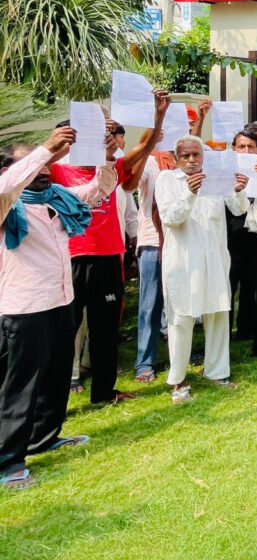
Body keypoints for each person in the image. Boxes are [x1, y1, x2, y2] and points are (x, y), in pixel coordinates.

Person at [0, 127, 112, 490]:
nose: (45, 170)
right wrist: (47, 148)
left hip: (61, 301)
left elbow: (99, 190)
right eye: (35, 165)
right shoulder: (7, 203)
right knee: (21, 385)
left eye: (48, 165)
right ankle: (9, 460)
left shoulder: (59, 199)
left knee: (56, 377)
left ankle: (44, 438)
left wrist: (106, 157)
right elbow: (6, 188)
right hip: (24, 308)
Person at [51, 91, 169, 404]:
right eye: (98, 125)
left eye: (108, 126)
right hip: (71, 259)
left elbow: (145, 147)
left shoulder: (111, 166)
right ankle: (56, 396)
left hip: (107, 258)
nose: (105, 132)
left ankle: (104, 392)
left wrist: (157, 115)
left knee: (105, 329)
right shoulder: (58, 169)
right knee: (66, 330)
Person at [155, 136, 248, 404]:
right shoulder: (167, 180)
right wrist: (190, 192)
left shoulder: (215, 177)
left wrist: (239, 190)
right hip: (183, 260)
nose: (192, 160)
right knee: (181, 317)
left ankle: (216, 372)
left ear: (203, 156)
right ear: (176, 159)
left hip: (215, 256)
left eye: (196, 154)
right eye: (185, 156)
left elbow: (239, 209)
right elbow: (170, 218)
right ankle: (178, 379)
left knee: (218, 312)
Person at [132, 146, 177, 382]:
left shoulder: (187, 160)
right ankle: (145, 362)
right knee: (150, 305)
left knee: (180, 303)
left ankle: (180, 355)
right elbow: (130, 183)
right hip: (152, 241)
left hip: (181, 241)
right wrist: (147, 144)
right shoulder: (149, 161)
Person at [226, 127, 257, 357]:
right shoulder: (226, 173)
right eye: (241, 146)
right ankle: (221, 346)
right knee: (227, 294)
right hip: (230, 242)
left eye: (250, 147)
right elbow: (236, 207)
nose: (246, 151)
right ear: (233, 148)